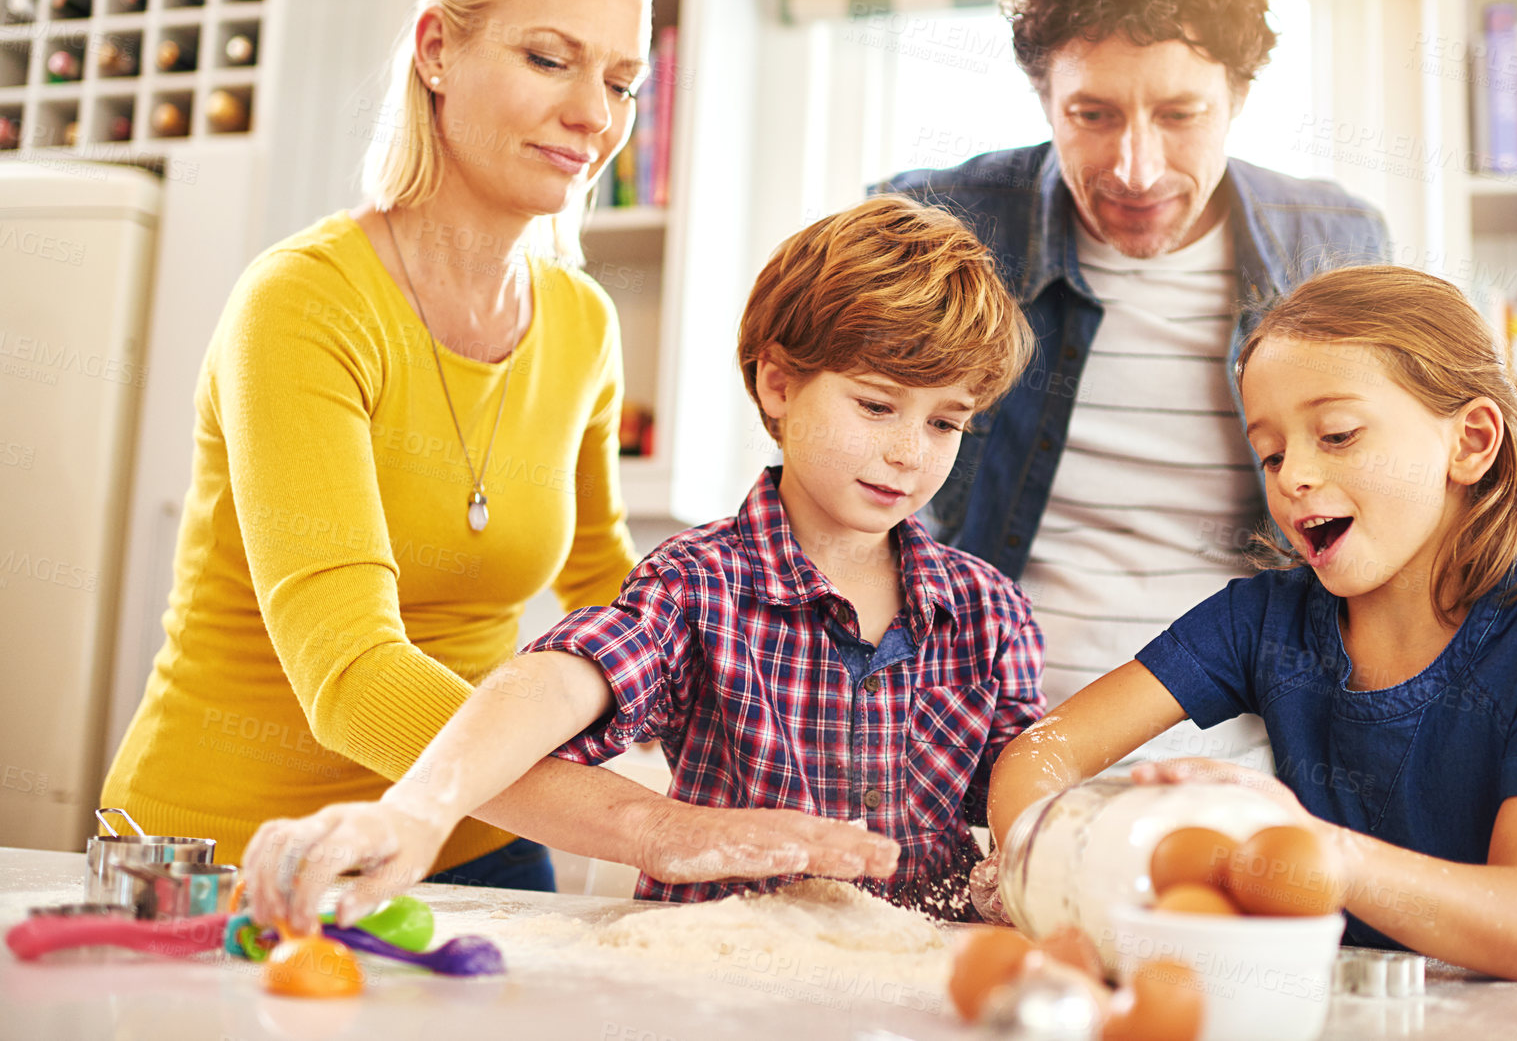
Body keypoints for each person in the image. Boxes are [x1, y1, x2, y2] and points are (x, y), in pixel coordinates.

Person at [102, 0, 888, 895]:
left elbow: (611, 588)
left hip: (477, 839)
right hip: (233, 848)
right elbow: (350, 680)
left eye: (623, 81)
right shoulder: (303, 306)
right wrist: (653, 825)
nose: (592, 116)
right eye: (549, 59)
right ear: (436, 49)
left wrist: (763, 740)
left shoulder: (581, 323)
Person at [241, 195, 1046, 931]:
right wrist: (419, 808)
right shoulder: (697, 582)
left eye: (946, 424)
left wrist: (1046, 847)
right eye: (875, 404)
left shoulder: (986, 610)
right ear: (777, 383)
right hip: (715, 989)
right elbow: (561, 676)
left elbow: (1024, 799)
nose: (908, 452)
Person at [987, 265, 1517, 977]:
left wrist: (1307, 847)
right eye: (1271, 452)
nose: (1291, 476)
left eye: (1337, 435)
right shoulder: (1261, 619)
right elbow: (1043, 751)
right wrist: (1044, 864)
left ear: (1468, 442)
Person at [879, 0, 1391, 758]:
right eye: (1092, 114)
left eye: (1180, 116)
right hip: (973, 745)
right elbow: (840, 499)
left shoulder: (1338, 247)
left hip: (1252, 759)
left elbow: (1395, 526)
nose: (1135, 167)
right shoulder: (934, 225)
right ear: (1044, 97)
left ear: (1238, 96)